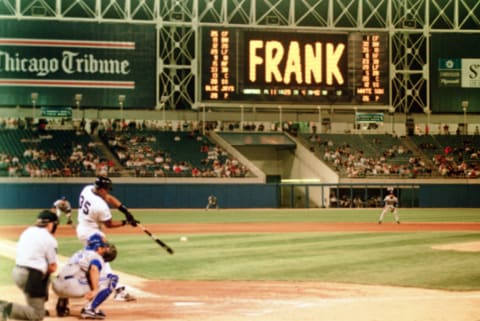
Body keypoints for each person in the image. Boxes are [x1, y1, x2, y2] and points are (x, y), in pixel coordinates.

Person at [76, 175, 139, 302]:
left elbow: (109, 198)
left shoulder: (88, 189)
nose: (108, 191)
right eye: (107, 189)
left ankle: (84, 284)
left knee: (95, 260)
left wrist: (124, 210)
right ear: (101, 189)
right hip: (91, 233)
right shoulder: (99, 205)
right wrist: (126, 222)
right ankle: (117, 290)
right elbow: (109, 224)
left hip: (83, 228)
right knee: (103, 258)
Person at [0, 210, 59, 321]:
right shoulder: (50, 239)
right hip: (31, 276)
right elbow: (52, 267)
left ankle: (34, 306)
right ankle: (4, 307)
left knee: (34, 309)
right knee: (37, 315)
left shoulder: (27, 231)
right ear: (51, 224)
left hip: (17, 272)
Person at [52, 233, 119, 319]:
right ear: (98, 248)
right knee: (112, 279)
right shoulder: (96, 256)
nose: (106, 249)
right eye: (104, 247)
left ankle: (62, 307)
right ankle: (90, 309)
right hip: (72, 287)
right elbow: (94, 269)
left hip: (56, 286)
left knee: (72, 276)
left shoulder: (78, 253)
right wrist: (95, 290)